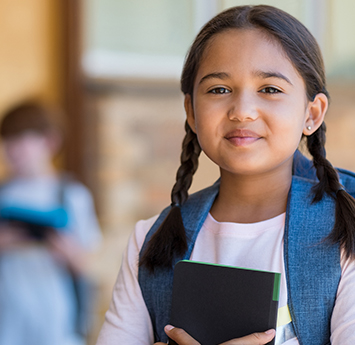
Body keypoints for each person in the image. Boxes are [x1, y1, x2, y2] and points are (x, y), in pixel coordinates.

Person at [96, 5, 355, 345]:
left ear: (312, 112)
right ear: (191, 110)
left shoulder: (344, 229)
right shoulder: (150, 240)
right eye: (219, 89)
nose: (242, 111)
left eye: (270, 89)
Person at [0, 102, 102, 345]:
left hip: (57, 321)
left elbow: (89, 266)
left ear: (49, 141)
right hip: (8, 320)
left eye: (20, 140)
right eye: (7, 141)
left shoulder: (72, 195)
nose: (11, 150)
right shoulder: (3, 194)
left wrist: (67, 251)